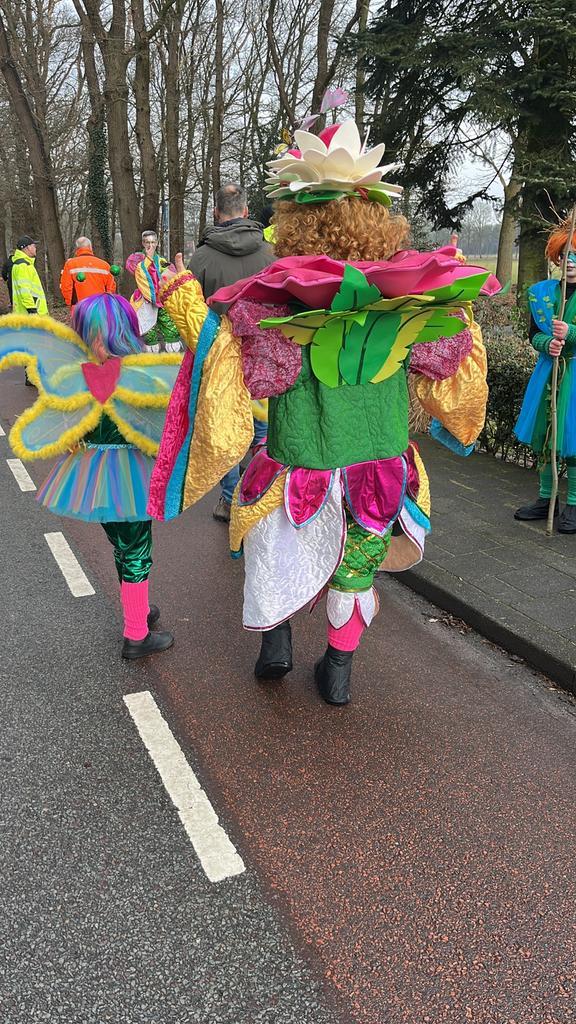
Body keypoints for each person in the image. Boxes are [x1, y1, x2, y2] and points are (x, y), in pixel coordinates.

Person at [148, 120, 499, 705]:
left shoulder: (270, 306)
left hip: (296, 464)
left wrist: (182, 296)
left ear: (294, 222)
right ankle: (338, 670)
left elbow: (225, 366)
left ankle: (276, 644)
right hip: (378, 469)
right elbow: (453, 382)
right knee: (354, 568)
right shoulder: (413, 301)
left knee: (270, 549)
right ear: (377, 218)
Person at [0, 294, 182, 658]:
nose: (92, 343)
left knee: (124, 547)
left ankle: (137, 608)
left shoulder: (81, 377)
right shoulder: (138, 374)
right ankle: (136, 634)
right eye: (88, 335)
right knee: (136, 549)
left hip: (94, 476)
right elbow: (160, 427)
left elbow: (75, 425)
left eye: (94, 335)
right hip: (130, 477)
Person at [188, 183, 274, 522]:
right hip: (262, 353)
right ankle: (258, 494)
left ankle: (229, 500)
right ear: (246, 211)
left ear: (215, 212)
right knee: (262, 425)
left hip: (219, 356)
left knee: (225, 426)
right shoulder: (270, 254)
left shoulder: (201, 258)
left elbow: (193, 314)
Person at [514, 222, 576, 533]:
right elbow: (533, 334)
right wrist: (547, 343)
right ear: (556, 259)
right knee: (545, 434)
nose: (570, 263)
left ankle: (574, 503)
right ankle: (545, 498)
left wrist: (572, 333)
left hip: (574, 373)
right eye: (565, 256)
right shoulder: (542, 295)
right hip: (548, 372)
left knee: (573, 437)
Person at [126, 230, 181, 353]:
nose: (150, 245)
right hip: (145, 299)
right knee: (148, 328)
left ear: (157, 243)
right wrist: (148, 259)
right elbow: (139, 273)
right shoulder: (136, 260)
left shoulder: (162, 261)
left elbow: (170, 276)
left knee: (169, 325)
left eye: (153, 242)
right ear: (143, 243)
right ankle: (151, 351)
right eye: (147, 242)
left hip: (163, 299)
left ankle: (172, 352)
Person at [10, 234, 48, 385]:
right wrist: (32, 310)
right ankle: (32, 376)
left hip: (29, 312)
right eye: (33, 245)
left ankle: (32, 376)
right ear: (25, 248)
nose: (35, 247)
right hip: (30, 313)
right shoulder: (23, 266)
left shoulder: (24, 264)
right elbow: (24, 290)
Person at [60, 236, 116, 309]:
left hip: (79, 307)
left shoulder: (70, 264)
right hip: (100, 307)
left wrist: (69, 303)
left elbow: (66, 287)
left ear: (77, 249)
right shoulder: (105, 265)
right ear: (90, 247)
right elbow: (111, 288)